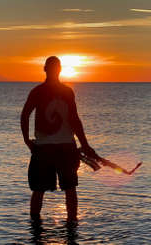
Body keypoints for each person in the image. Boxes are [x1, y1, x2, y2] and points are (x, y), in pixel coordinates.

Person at [21, 56, 97, 222]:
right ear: (46, 69)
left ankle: (65, 228)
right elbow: (25, 115)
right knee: (43, 190)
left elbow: (74, 119)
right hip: (47, 148)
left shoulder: (64, 92)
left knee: (65, 189)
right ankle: (44, 228)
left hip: (63, 147)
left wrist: (85, 144)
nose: (55, 71)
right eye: (53, 67)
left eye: (55, 68)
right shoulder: (39, 92)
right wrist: (27, 140)